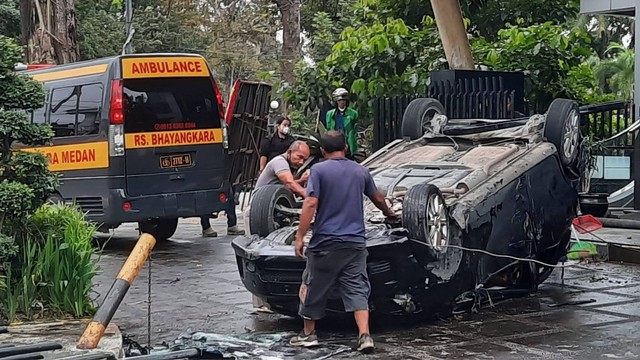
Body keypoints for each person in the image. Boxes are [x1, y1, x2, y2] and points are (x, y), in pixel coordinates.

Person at [289, 131, 396, 353]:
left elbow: (310, 203)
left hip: (325, 243)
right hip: (355, 243)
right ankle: (364, 336)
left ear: (322, 151)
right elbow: (377, 197)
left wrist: (300, 236)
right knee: (357, 287)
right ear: (346, 148)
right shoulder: (360, 171)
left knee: (312, 286)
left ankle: (309, 335)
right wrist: (390, 213)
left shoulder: (318, 170)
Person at [250, 140, 311, 312]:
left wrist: (302, 180)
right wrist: (309, 196)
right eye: (299, 157)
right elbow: (290, 184)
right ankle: (261, 303)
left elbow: (287, 185)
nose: (300, 162)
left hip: (272, 211)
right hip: (259, 211)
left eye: (303, 159)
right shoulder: (279, 162)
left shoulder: (287, 165)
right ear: (290, 151)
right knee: (258, 254)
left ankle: (274, 298)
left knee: (272, 255)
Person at [325, 88, 359, 159]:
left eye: (343, 100)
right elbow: (328, 128)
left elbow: (355, 130)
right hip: (335, 141)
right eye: (339, 100)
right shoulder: (330, 114)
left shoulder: (353, 113)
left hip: (348, 142)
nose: (342, 102)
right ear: (336, 101)